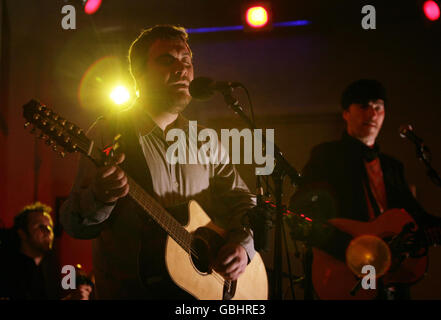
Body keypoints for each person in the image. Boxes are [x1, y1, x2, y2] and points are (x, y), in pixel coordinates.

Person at [60, 25, 256, 299]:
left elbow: (243, 201)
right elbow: (74, 224)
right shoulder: (109, 132)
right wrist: (101, 197)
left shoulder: (206, 141)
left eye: (186, 61)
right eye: (167, 60)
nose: (181, 69)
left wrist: (242, 247)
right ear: (138, 75)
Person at [289, 79, 440, 299]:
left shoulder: (392, 166)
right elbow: (300, 213)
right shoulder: (327, 156)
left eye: (378, 107)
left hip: (389, 284)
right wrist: (352, 249)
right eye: (363, 106)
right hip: (343, 272)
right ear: (346, 113)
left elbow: (415, 218)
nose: (372, 114)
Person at [0, 202, 92, 300]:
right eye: (40, 226)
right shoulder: (8, 270)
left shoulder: (47, 268)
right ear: (22, 234)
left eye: (50, 226)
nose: (48, 230)